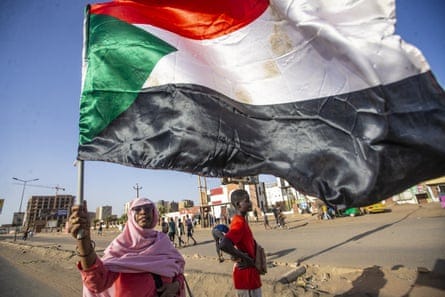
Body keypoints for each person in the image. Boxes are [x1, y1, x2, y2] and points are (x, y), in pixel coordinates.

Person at [68, 198, 185, 297]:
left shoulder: (162, 241)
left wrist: (176, 285)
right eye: (137, 209)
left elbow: (178, 271)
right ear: (131, 215)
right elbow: (96, 281)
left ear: (154, 213)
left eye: (148, 208)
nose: (143, 212)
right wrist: (84, 241)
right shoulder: (118, 246)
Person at [220, 189, 262, 297]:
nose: (250, 203)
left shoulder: (242, 221)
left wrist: (237, 255)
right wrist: (246, 258)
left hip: (250, 277)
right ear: (239, 205)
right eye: (247, 200)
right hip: (246, 279)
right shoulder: (238, 222)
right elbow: (224, 244)